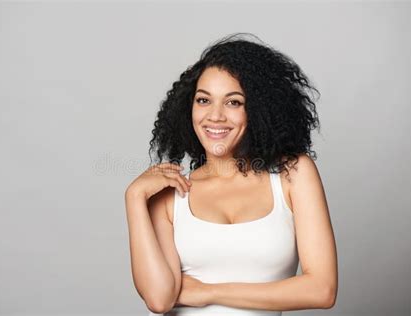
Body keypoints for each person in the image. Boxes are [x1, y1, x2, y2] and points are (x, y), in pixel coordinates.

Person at [125, 32, 338, 315]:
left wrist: (209, 292)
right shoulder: (171, 192)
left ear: (260, 109)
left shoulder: (293, 174)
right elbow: (159, 299)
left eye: (233, 102)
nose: (215, 116)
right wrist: (134, 197)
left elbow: (322, 290)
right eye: (203, 100)